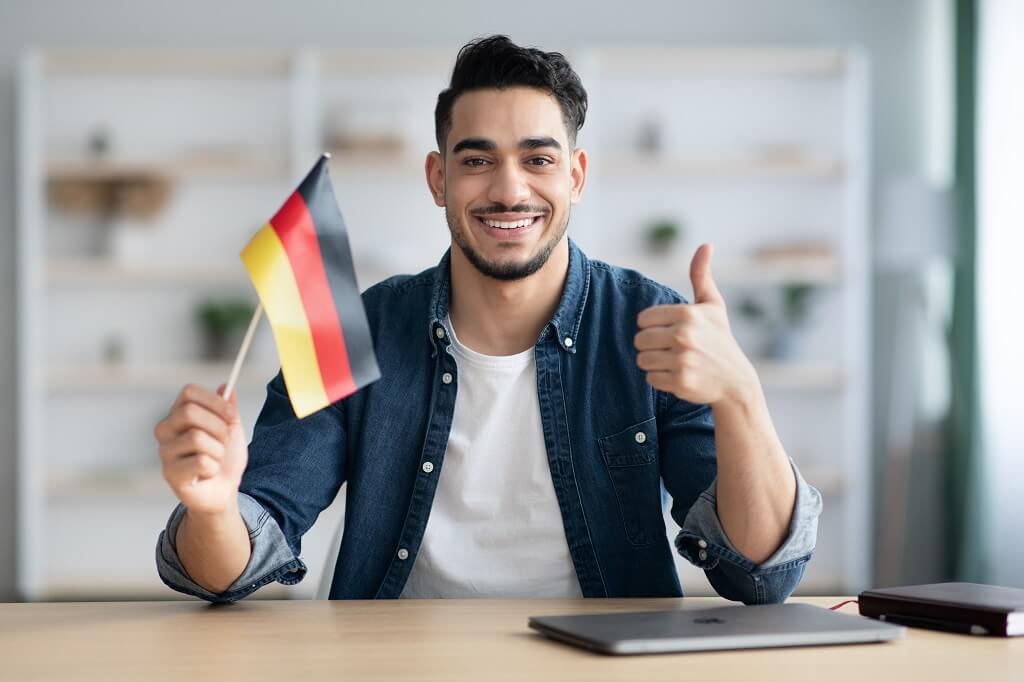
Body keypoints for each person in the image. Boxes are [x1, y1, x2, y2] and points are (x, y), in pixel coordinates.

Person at [155, 35, 821, 602]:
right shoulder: (354, 326)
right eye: (477, 161)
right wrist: (212, 508)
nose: (508, 189)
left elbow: (760, 575)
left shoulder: (654, 324)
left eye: (538, 159)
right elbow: (233, 564)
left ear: (576, 176)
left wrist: (741, 395)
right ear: (438, 179)